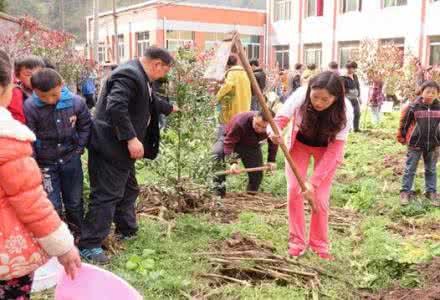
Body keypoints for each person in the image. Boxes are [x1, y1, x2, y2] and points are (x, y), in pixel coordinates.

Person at [79, 47, 176, 263]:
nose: (163, 76)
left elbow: (148, 100)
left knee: (129, 188)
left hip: (121, 150)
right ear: (157, 64)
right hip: (111, 146)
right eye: (164, 71)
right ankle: (89, 244)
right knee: (106, 194)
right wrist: (131, 138)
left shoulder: (141, 75)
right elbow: (116, 106)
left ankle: (127, 229)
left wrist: (169, 108)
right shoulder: (129, 74)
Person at [0, 50, 81, 299]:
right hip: (7, 255)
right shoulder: (8, 140)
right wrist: (64, 247)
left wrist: (77, 148)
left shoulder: (74, 103)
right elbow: (31, 202)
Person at [269, 71, 353, 260]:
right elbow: (279, 120)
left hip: (326, 150)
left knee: (320, 199)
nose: (319, 103)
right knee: (294, 191)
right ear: (310, 92)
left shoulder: (346, 110)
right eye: (315, 97)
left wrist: (313, 183)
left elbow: (335, 151)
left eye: (325, 99)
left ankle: (319, 245)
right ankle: (297, 242)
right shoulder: (301, 94)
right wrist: (273, 132)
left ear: (336, 97)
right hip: (300, 145)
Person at [23, 68, 92, 238]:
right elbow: (29, 138)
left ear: (61, 85)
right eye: (43, 96)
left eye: (54, 95)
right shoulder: (30, 107)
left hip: (71, 159)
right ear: (35, 92)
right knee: (51, 204)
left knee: (74, 201)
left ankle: (78, 236)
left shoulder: (77, 103)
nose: (49, 100)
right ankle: (57, 239)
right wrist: (34, 163)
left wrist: (78, 149)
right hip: (45, 164)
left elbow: (85, 126)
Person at [213, 110, 278, 197]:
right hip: (230, 140)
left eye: (264, 127)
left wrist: (271, 160)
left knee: (257, 173)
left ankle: (250, 195)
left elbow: (273, 141)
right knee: (217, 156)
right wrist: (233, 162)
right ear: (254, 117)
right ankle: (219, 195)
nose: (259, 129)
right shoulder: (240, 122)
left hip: (251, 145)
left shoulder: (273, 126)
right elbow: (229, 143)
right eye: (257, 124)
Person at [398, 80, 440, 207]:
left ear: (438, 94)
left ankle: (431, 192)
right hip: (415, 143)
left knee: (431, 169)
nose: (430, 95)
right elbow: (404, 123)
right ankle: (405, 191)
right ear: (422, 92)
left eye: (434, 92)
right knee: (410, 168)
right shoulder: (413, 107)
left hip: (433, 144)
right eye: (427, 92)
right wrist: (402, 136)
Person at [213, 55, 251, 161]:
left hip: (232, 107)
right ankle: (235, 155)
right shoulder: (244, 72)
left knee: (225, 133)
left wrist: (217, 96)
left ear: (227, 64)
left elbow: (228, 85)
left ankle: (223, 155)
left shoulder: (232, 73)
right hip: (243, 105)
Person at [8, 55, 45, 123]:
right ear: (18, 76)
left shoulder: (50, 87)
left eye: (38, 74)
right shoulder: (15, 92)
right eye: (28, 74)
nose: (34, 78)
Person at [342, 61, 361, 132]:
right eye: (348, 68)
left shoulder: (355, 76)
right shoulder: (343, 77)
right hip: (347, 98)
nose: (350, 69)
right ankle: (347, 128)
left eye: (352, 68)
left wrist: (359, 96)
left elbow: (358, 86)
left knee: (357, 113)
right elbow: (342, 88)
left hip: (354, 98)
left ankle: (356, 128)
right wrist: (349, 91)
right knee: (348, 114)